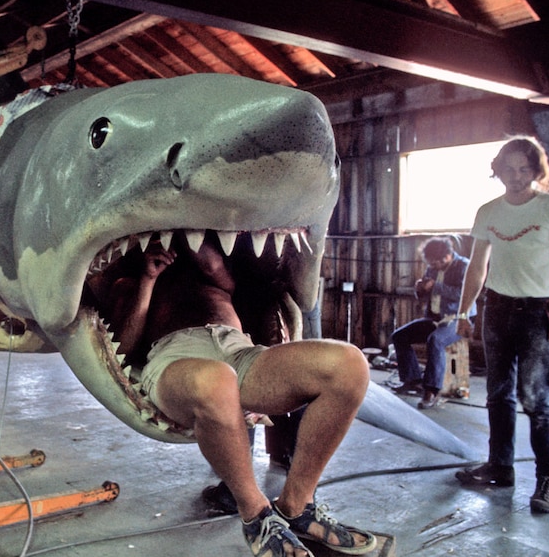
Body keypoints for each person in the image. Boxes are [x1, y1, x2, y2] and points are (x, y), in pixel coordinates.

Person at [109, 234, 377, 557]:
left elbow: (213, 265)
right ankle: (256, 514)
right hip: (173, 359)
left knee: (350, 366)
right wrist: (148, 279)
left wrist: (187, 239)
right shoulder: (130, 281)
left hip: (238, 350)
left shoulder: (217, 275)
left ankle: (297, 504)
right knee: (218, 382)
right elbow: (122, 348)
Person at [454, 136, 549, 514]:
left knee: (535, 398)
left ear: (537, 172)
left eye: (524, 170)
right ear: (498, 170)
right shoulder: (488, 211)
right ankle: (500, 467)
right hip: (496, 309)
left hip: (538, 313)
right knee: (497, 394)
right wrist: (463, 312)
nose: (516, 177)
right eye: (509, 169)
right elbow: (477, 266)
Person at [390, 237, 474, 409]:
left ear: (447, 256)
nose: (432, 267)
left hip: (459, 319)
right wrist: (420, 289)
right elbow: (425, 294)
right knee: (399, 336)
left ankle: (431, 391)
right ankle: (412, 380)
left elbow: (464, 295)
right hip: (434, 318)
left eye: (435, 263)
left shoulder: (464, 266)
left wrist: (435, 286)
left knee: (435, 341)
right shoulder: (432, 267)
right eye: (430, 264)